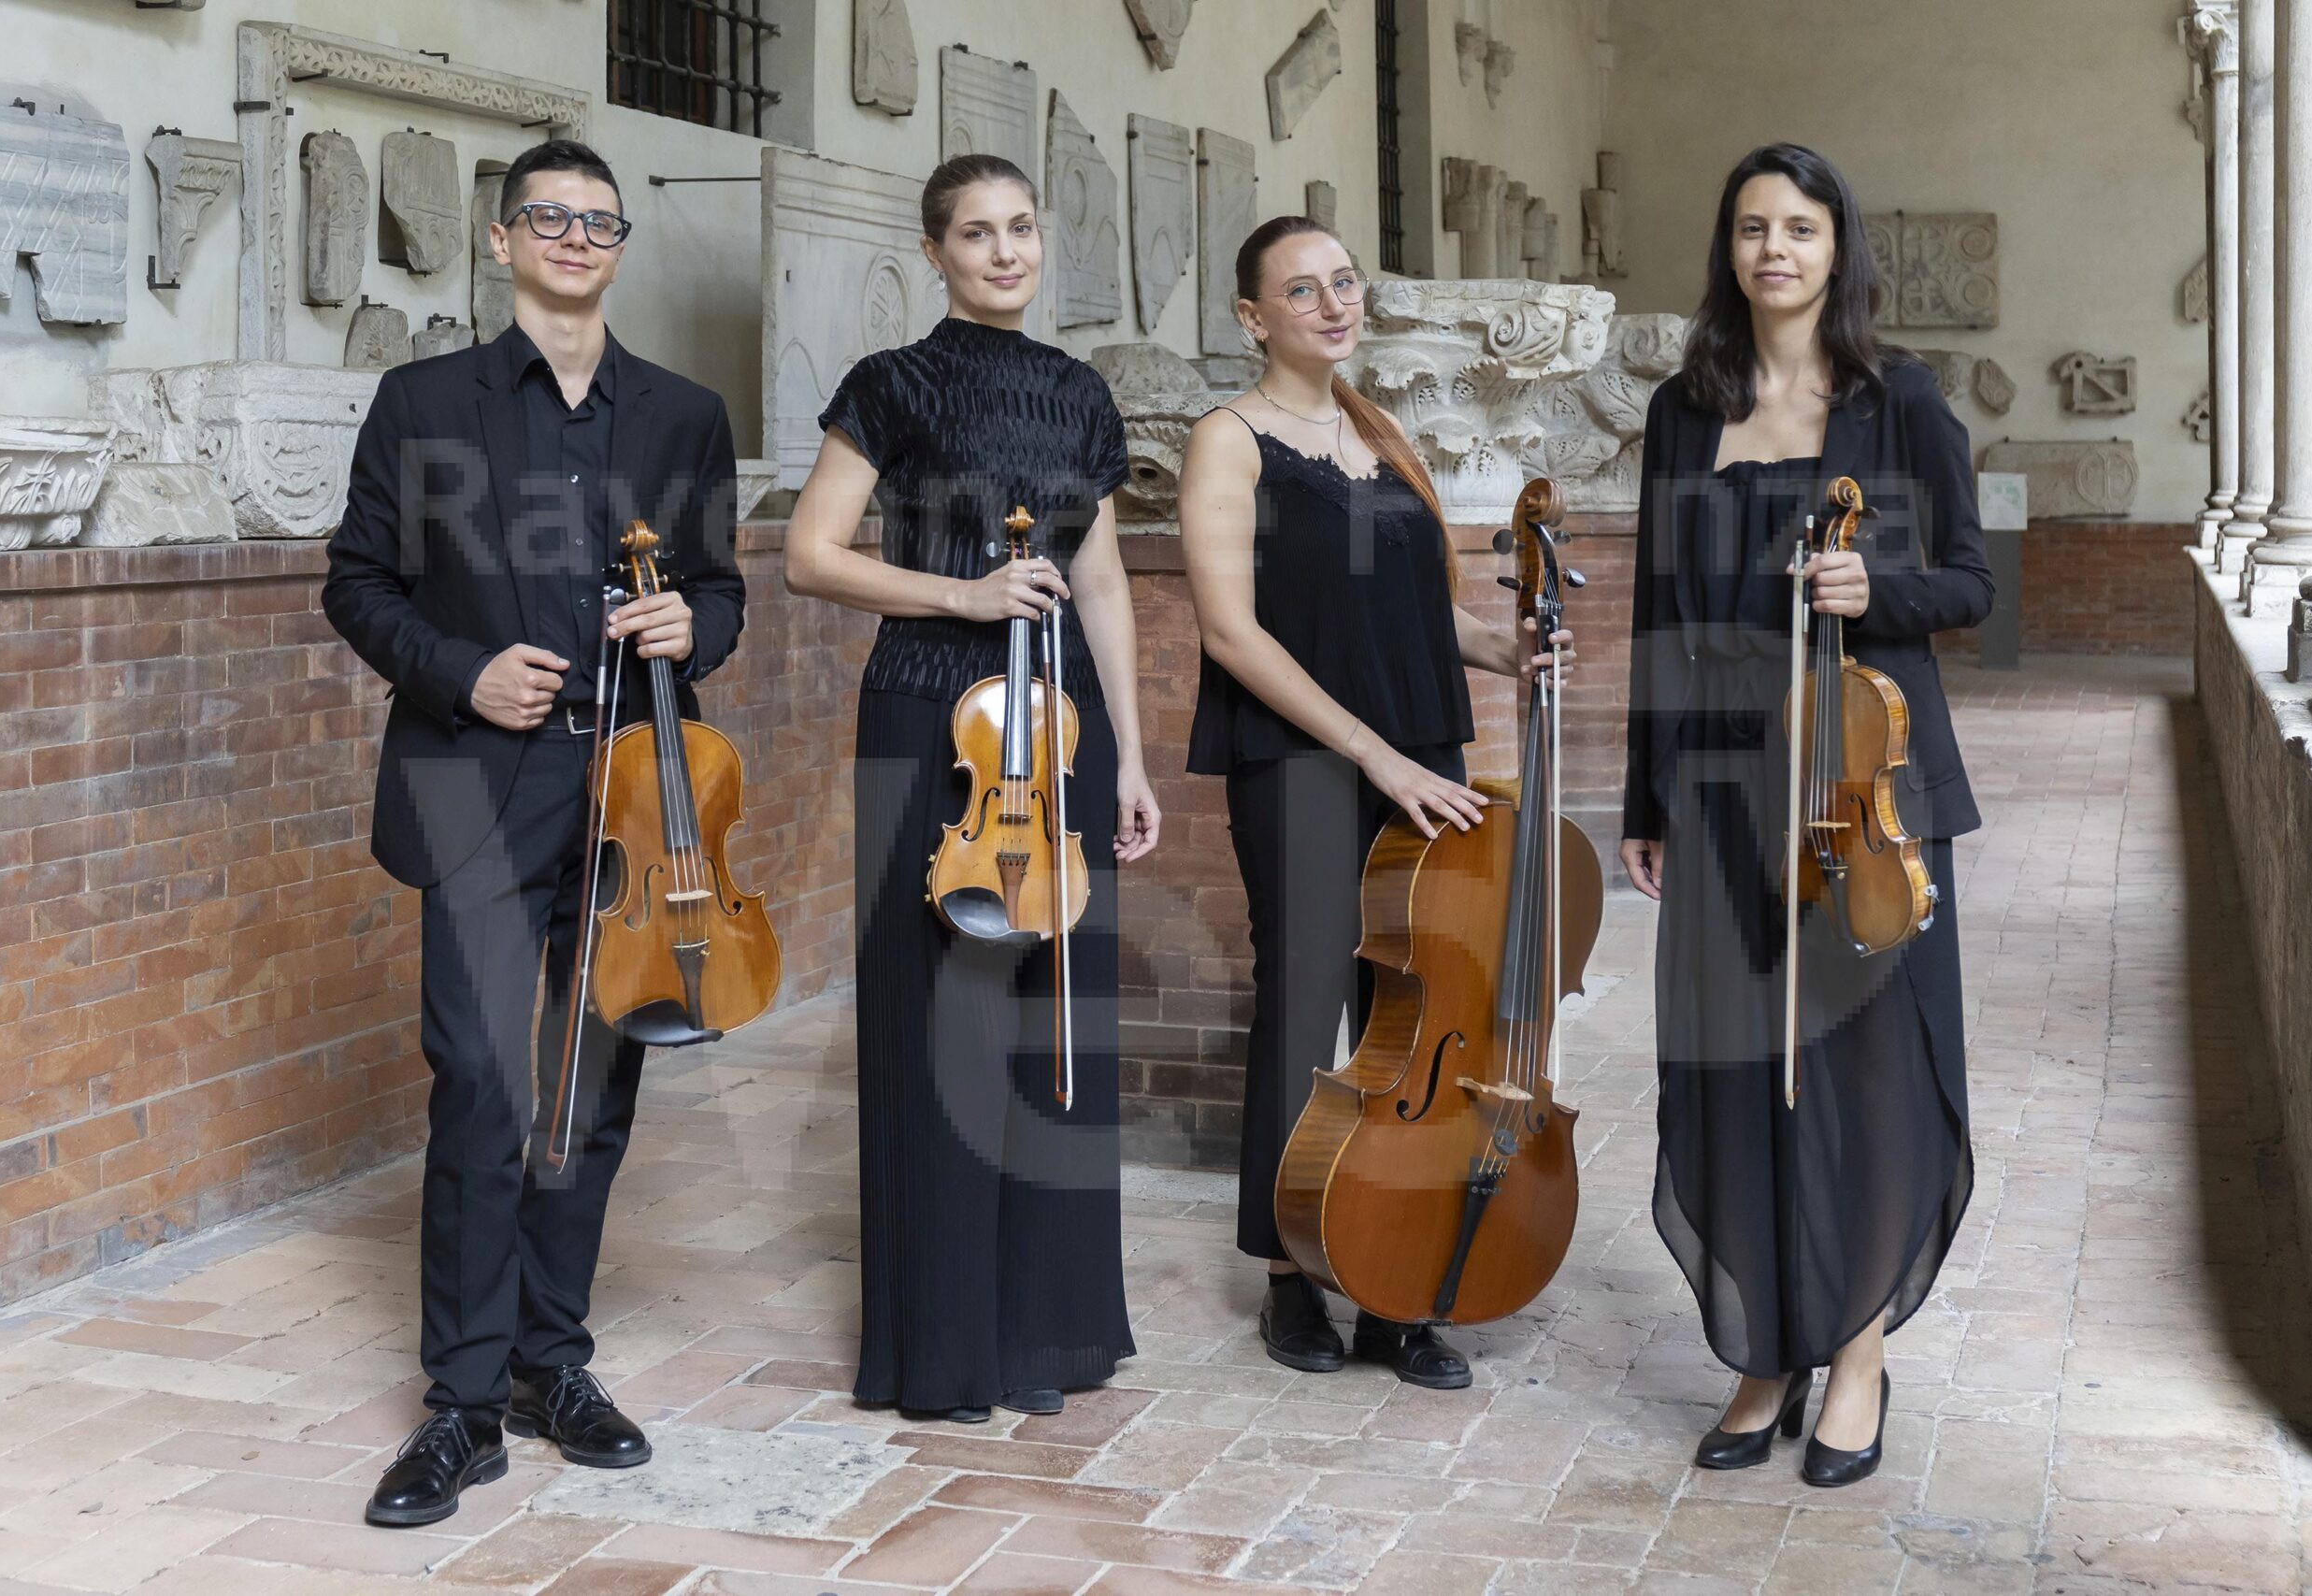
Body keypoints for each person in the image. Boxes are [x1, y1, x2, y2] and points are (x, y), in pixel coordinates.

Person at [323, 137, 746, 1526]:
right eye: (548, 216)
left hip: (633, 792)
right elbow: (357, 582)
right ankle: (460, 1401)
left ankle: (550, 1362)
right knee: (481, 1081)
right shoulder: (422, 401)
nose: (574, 236)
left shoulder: (684, 415)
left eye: (598, 220)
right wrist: (462, 671)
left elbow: (722, 590)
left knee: (592, 1083)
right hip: (474, 776)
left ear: (620, 246)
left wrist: (694, 624)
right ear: (502, 240)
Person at [1619, 143, 1990, 1487]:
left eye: (1799, 228)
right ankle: (1766, 1349)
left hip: (1859, 781)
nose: (1773, 249)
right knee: (1737, 1068)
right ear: (1728, 249)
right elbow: (1657, 608)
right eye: (1751, 228)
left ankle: (1857, 1351)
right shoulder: (1684, 409)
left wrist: (1874, 595)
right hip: (1721, 780)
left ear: (1839, 249)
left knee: (1863, 1065)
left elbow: (1972, 583)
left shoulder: (1899, 400)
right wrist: (1645, 794)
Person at [783, 153, 1157, 1422]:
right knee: (945, 1010)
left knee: (1055, 1017)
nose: (1006, 252)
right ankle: (941, 1343)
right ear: (934, 251)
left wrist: (1133, 754)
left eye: (1022, 227)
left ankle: (1046, 1329)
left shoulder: (1080, 393)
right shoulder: (890, 384)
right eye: (978, 233)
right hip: (927, 711)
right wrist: (966, 593)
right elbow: (810, 555)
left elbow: (1100, 580)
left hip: (1063, 724)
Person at [1179, 216, 1573, 1391]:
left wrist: (1506, 651)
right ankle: (1291, 1271)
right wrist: (1374, 757)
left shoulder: (1380, 431)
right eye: (1301, 291)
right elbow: (1231, 632)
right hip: (1300, 758)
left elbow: (1417, 609)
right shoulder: (1229, 442)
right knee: (1306, 1008)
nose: (1333, 304)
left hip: (1418, 743)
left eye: (1343, 282)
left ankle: (1398, 1282)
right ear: (1253, 317)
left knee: (1416, 1009)